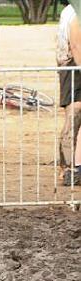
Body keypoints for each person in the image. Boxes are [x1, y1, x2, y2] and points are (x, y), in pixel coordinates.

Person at [56, 0, 81, 186]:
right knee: (74, 114)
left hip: (70, 65)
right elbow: (76, 46)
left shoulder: (70, 10)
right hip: (73, 67)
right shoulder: (75, 11)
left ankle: (70, 167)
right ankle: (67, 169)